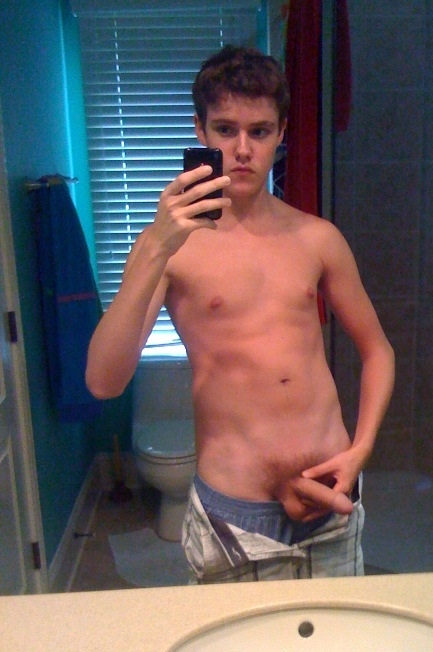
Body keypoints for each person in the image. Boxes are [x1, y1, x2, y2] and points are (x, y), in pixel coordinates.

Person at [86, 45, 395, 583]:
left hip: (333, 499)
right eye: (226, 130)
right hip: (234, 520)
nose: (243, 149)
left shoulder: (318, 238)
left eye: (260, 131)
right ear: (200, 130)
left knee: (335, 629)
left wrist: (361, 448)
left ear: (281, 133)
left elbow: (378, 351)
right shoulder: (168, 247)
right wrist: (156, 245)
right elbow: (103, 381)